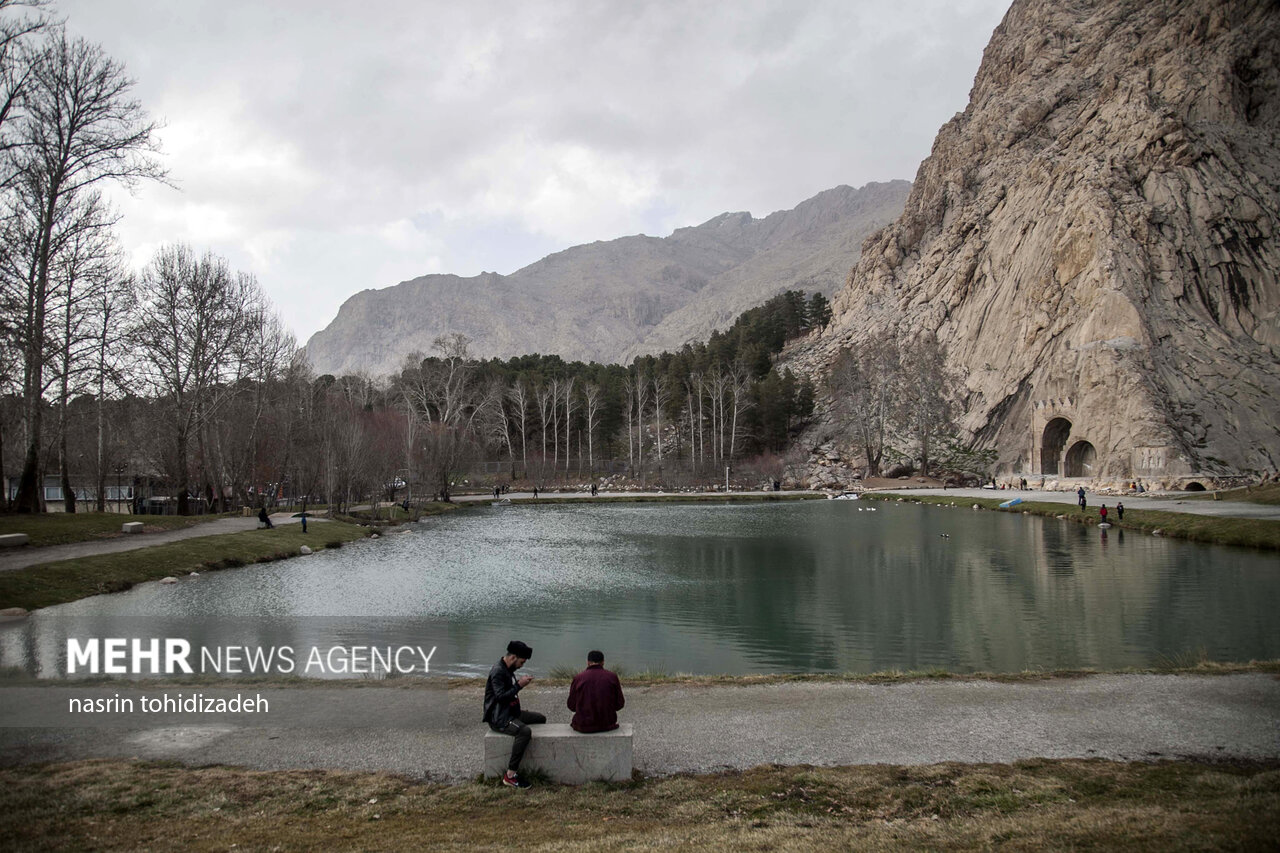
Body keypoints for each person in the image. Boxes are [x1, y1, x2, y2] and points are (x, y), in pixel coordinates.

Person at [484, 640, 544, 789]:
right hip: (499, 718)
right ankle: (510, 775)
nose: (522, 665)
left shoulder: (508, 669)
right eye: (522, 662)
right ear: (513, 657)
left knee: (540, 719)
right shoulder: (498, 671)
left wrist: (518, 684)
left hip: (511, 713)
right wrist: (519, 685)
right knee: (525, 731)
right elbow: (500, 697)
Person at [567, 650, 625, 733]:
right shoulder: (612, 677)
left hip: (583, 725)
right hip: (607, 723)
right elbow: (619, 704)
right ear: (603, 662)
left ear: (588, 662)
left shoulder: (578, 678)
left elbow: (571, 706)